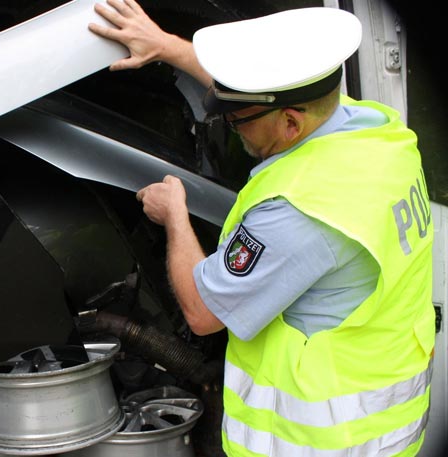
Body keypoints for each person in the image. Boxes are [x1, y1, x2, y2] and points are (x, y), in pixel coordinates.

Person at [89, 1, 435, 456]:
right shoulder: (373, 134)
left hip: (320, 443)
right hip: (383, 419)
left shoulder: (303, 211)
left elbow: (202, 312)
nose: (233, 131)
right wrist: (167, 47)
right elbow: (260, 100)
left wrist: (174, 214)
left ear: (291, 122)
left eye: (235, 123)